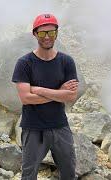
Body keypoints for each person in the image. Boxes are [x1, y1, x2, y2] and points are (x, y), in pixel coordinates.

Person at [12, 13, 79, 180]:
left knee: (69, 171)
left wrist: (40, 90)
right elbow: (26, 98)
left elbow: (71, 96)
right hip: (33, 128)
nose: (47, 37)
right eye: (42, 33)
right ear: (35, 34)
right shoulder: (24, 63)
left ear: (57, 33)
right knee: (29, 174)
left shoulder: (66, 62)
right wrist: (59, 92)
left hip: (60, 126)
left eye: (51, 32)